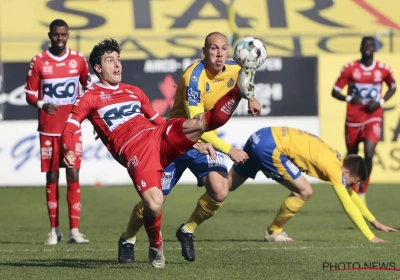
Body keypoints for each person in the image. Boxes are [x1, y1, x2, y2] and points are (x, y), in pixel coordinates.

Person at [60, 38, 257, 268]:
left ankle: (237, 93)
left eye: (118, 60)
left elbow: (158, 122)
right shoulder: (90, 96)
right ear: (97, 68)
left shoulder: (134, 91)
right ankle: (155, 244)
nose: (117, 65)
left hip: (158, 136)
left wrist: (192, 143)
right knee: (153, 205)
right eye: (110, 61)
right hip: (135, 150)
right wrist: (68, 149)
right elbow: (70, 126)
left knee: (198, 123)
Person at [118, 32, 262, 264]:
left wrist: (251, 97)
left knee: (220, 190)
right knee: (154, 202)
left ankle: (187, 230)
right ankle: (128, 238)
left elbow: (246, 79)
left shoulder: (235, 67)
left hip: (206, 142)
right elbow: (197, 123)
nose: (219, 53)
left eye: (224, 48)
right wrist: (229, 149)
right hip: (175, 140)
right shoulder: (193, 77)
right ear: (204, 51)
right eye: (214, 48)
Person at [227, 126, 397, 242]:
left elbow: (351, 196)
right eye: (356, 181)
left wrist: (375, 222)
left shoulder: (337, 160)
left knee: (225, 187)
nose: (353, 186)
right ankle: (274, 231)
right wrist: (370, 236)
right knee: (305, 191)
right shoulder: (335, 169)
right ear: (349, 172)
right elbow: (348, 205)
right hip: (270, 147)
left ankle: (206, 174)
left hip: (261, 135)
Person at [25, 19, 92, 245]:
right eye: (56, 35)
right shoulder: (39, 61)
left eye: (63, 34)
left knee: (73, 175)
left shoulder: (79, 60)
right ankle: (54, 230)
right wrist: (43, 104)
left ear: (68, 34)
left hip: (72, 128)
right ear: (50, 35)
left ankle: (75, 231)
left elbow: (88, 90)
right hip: (49, 129)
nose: (60, 38)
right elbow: (29, 94)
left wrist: (90, 117)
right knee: (52, 177)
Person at [331, 36, 396, 204]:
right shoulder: (350, 69)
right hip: (353, 118)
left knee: (368, 153)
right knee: (352, 155)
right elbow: (335, 90)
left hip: (372, 116)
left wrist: (380, 102)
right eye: (365, 45)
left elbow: (393, 86)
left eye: (371, 45)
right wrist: (350, 98)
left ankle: (362, 192)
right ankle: (351, 191)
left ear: (375, 49)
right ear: (360, 48)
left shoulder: (383, 69)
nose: (368, 48)